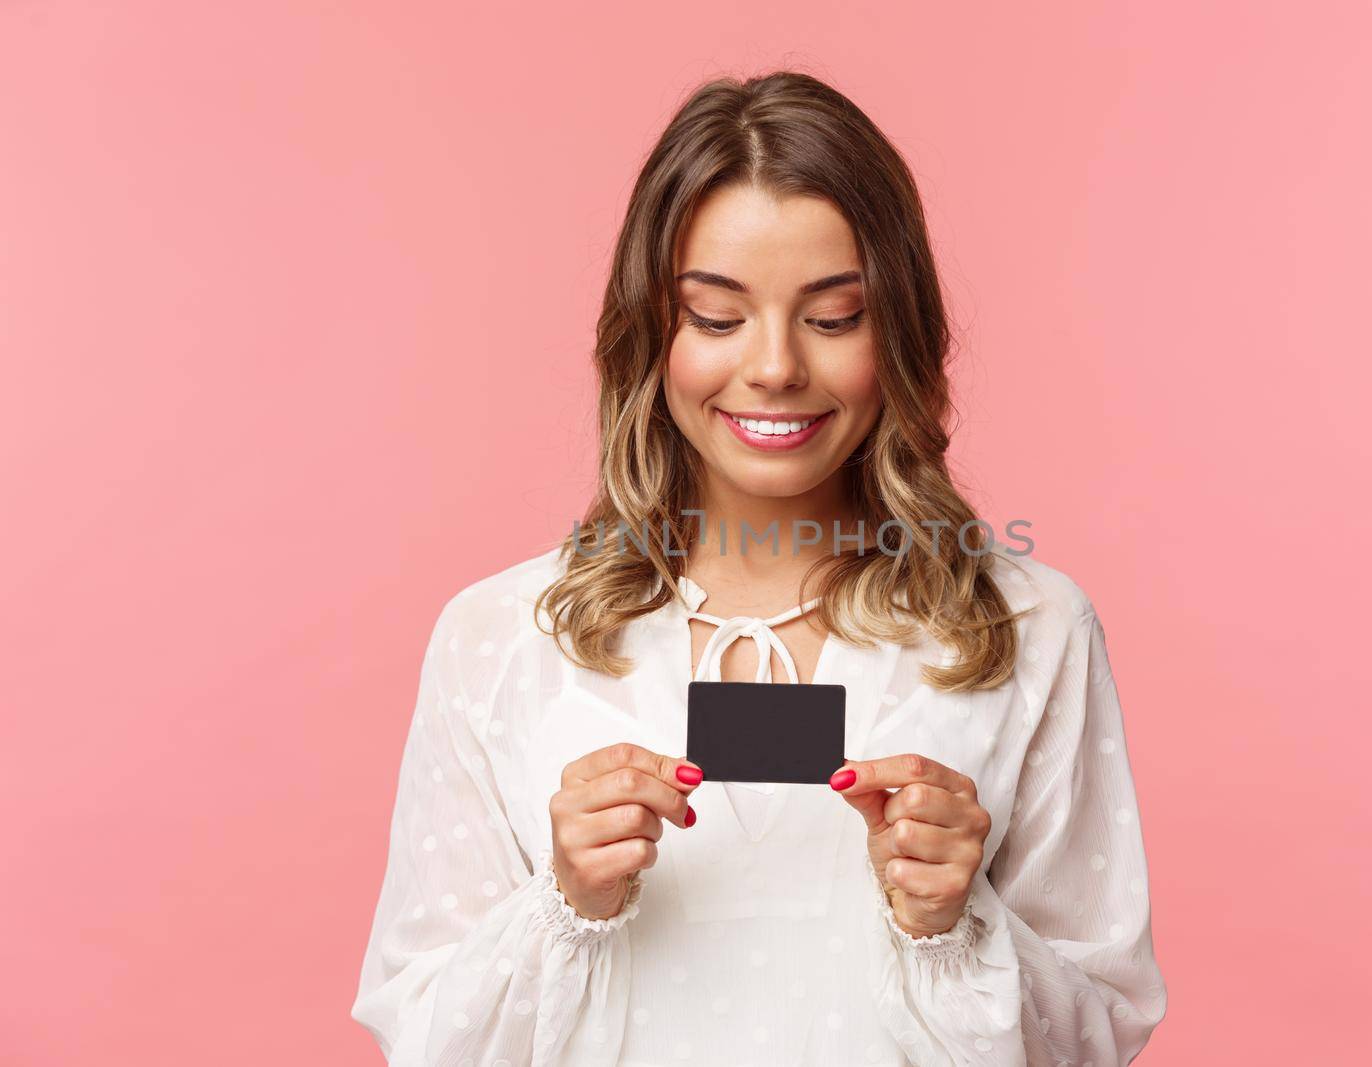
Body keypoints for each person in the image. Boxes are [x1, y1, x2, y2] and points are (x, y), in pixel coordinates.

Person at [350, 70, 1167, 1066]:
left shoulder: (1028, 627)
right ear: (652, 331)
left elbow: (1098, 1036)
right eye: (717, 316)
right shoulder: (503, 635)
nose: (775, 366)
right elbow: (427, 1041)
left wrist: (953, 922)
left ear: (897, 330)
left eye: (831, 318)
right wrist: (565, 901)